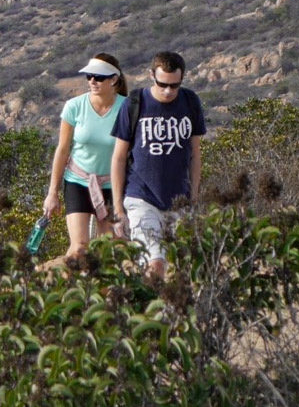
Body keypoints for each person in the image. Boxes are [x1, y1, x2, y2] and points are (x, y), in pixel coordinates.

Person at [110, 51, 205, 281]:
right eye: (162, 84)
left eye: (174, 85)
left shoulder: (190, 102)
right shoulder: (135, 103)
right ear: (151, 75)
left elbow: (195, 155)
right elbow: (119, 157)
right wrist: (118, 209)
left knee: (183, 267)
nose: (168, 91)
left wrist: (193, 198)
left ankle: (175, 314)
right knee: (155, 264)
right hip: (142, 197)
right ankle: (151, 314)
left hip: (179, 199)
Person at [41, 53, 128, 258]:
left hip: (111, 185)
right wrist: (52, 193)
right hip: (78, 181)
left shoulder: (127, 107)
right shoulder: (74, 106)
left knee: (109, 248)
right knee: (79, 247)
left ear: (113, 80)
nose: (92, 81)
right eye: (89, 76)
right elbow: (62, 150)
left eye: (98, 77)